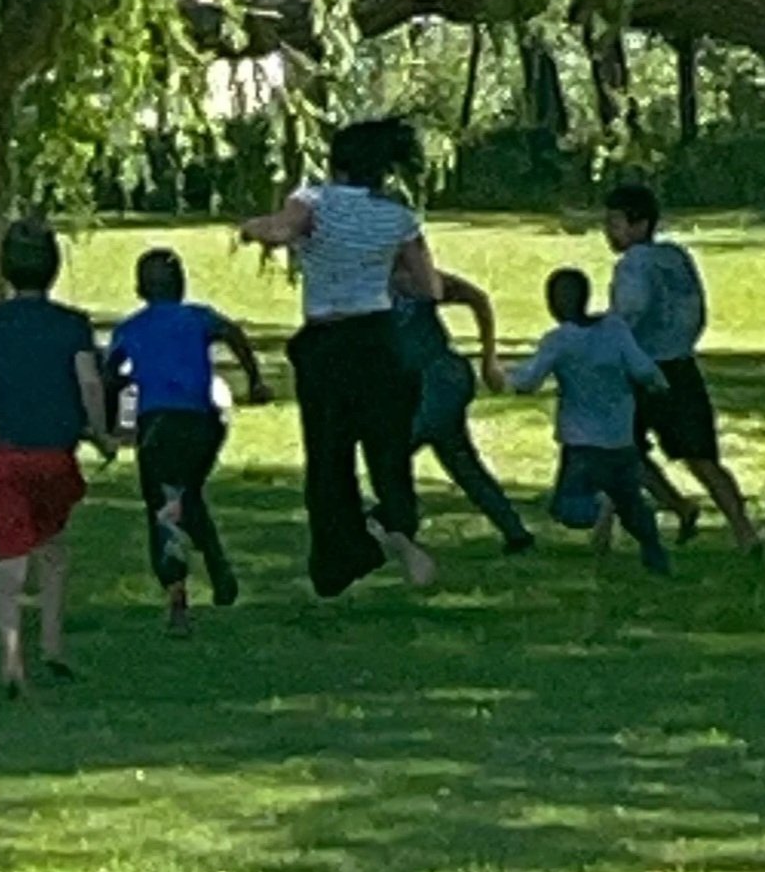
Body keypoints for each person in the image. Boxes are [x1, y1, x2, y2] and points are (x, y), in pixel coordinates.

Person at [240, 117, 439, 597]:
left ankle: (340, 557)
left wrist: (250, 229)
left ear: (337, 162)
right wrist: (378, 268)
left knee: (330, 455)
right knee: (387, 448)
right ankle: (396, 521)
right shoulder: (399, 217)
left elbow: (283, 231)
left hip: (328, 343)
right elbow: (427, 285)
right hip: (380, 340)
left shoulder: (313, 201)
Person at [0, 217, 114, 696]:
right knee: (54, 548)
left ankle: (11, 658)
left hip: (6, 456)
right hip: (57, 456)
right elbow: (88, 383)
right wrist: (99, 433)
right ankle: (54, 646)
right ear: (54, 268)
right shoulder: (72, 326)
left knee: (9, 560)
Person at [105, 248, 271, 638]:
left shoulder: (129, 330)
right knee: (187, 494)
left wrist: (113, 422)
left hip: (158, 427)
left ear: (139, 288)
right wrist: (254, 379)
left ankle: (178, 599)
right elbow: (234, 332)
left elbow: (110, 377)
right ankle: (218, 566)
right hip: (202, 424)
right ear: (182, 286)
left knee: (164, 506)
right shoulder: (199, 318)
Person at [603, 185, 760, 551]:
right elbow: (696, 308)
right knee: (702, 457)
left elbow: (631, 310)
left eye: (615, 223)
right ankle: (743, 530)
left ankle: (671, 503)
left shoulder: (633, 264)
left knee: (621, 451)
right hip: (681, 365)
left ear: (640, 224)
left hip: (642, 369)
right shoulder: (676, 257)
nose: (609, 232)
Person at [510, 268, 673, 575]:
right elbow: (643, 368)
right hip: (621, 438)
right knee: (633, 505)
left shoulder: (559, 341)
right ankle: (654, 553)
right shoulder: (615, 329)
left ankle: (600, 505)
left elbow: (529, 381)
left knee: (568, 506)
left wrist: (504, 377)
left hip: (581, 442)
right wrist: (659, 385)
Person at [390, 265, 535, 554]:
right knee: (460, 461)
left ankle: (390, 524)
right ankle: (515, 533)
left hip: (441, 379)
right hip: (416, 387)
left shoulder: (415, 279)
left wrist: (489, 358)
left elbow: (477, 298)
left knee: (395, 450)